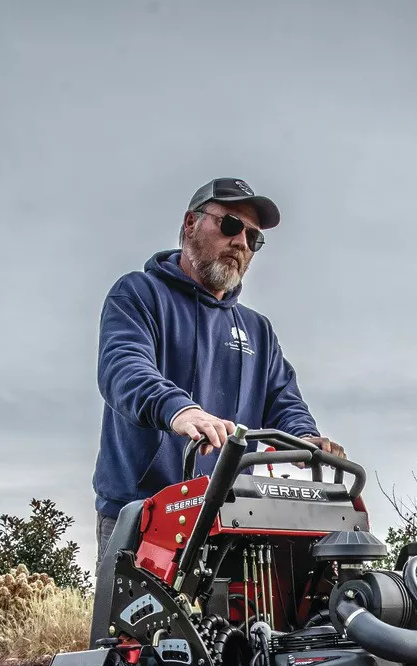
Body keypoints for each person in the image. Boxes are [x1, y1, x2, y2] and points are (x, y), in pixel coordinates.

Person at [91, 177, 343, 554]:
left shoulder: (258, 330)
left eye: (253, 238)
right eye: (230, 225)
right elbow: (123, 366)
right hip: (143, 512)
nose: (241, 242)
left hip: (233, 514)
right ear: (191, 223)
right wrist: (178, 409)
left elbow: (283, 401)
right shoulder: (138, 294)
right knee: (139, 615)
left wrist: (305, 439)